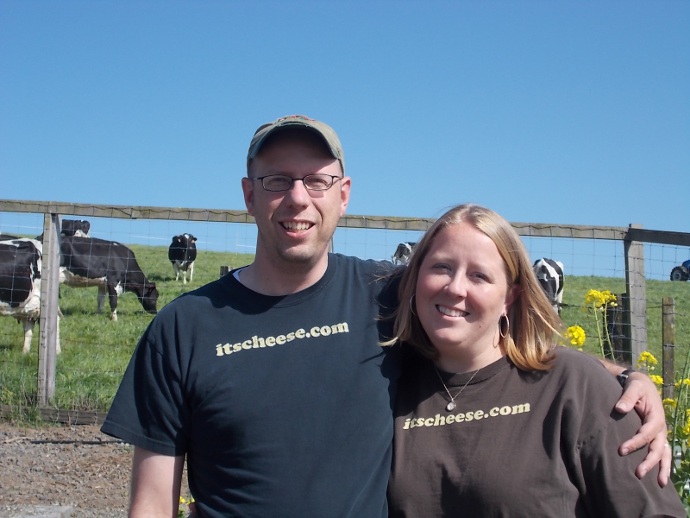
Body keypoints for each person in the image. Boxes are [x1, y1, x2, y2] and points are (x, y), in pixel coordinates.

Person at [100, 115, 670, 517]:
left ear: (343, 195)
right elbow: (151, 500)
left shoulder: (385, 293)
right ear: (249, 195)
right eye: (277, 180)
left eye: (317, 180)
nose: (298, 198)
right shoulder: (184, 327)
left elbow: (487, 330)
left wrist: (623, 381)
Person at [386, 203, 685, 517]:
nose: (455, 287)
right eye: (441, 267)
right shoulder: (388, 384)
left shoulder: (576, 388)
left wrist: (628, 377)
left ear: (509, 297)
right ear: (415, 276)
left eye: (479, 276)